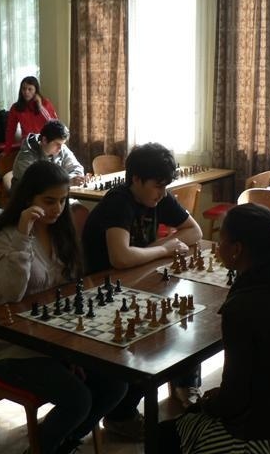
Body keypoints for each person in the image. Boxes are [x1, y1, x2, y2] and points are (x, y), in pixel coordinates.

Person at [0, 161, 127, 454]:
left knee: (116, 384)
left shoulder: (61, 230)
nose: (57, 208)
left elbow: (72, 288)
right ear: (27, 198)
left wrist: (74, 349)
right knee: (78, 400)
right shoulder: (5, 236)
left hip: (56, 340)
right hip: (14, 349)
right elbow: (12, 292)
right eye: (49, 201)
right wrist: (23, 234)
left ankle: (64, 443)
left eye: (62, 200)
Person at [157, 204, 270, 453]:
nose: (218, 246)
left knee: (161, 437)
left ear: (237, 250)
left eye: (222, 240)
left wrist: (208, 405)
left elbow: (234, 399)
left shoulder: (242, 307)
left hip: (260, 437)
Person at [82, 142, 202, 440]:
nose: (162, 193)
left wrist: (153, 249)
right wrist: (163, 248)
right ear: (135, 179)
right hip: (105, 292)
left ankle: (186, 382)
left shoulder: (159, 197)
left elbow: (195, 231)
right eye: (157, 186)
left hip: (137, 281)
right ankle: (120, 415)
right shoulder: (119, 202)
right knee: (149, 344)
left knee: (187, 323)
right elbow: (120, 258)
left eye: (165, 186)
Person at [12, 119, 84, 187]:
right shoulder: (25, 156)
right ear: (44, 140)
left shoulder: (61, 148)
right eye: (57, 144)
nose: (60, 148)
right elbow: (38, 185)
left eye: (62, 144)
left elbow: (77, 169)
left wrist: (74, 179)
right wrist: (66, 181)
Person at [4, 76, 58, 154]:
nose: (26, 92)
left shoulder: (45, 103)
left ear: (36, 90)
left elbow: (54, 124)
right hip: (27, 144)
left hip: (45, 143)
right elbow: (10, 130)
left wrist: (40, 107)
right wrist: (7, 150)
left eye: (30, 89)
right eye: (24, 89)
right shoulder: (16, 107)